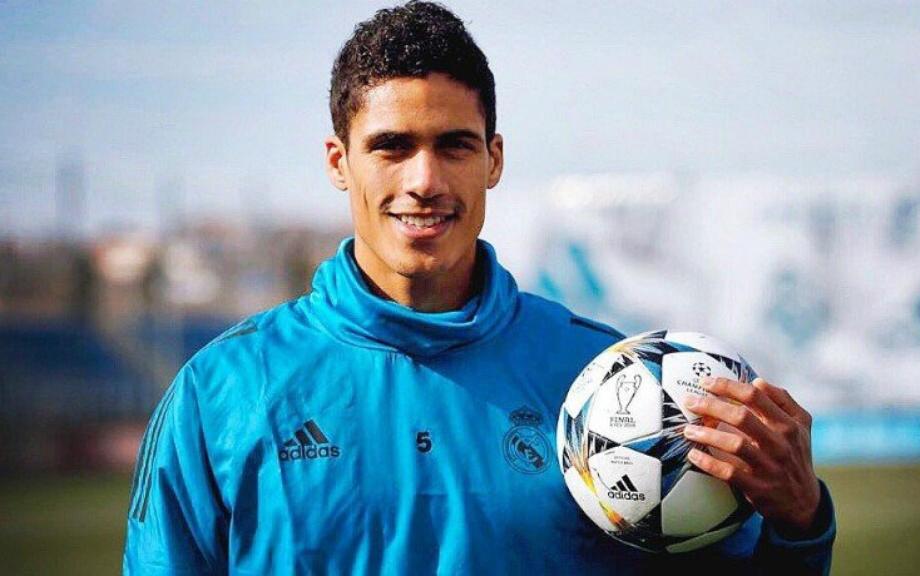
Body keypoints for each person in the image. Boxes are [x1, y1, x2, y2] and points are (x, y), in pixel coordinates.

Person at [122, 2, 835, 574]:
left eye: (454, 145)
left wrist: (800, 521)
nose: (424, 181)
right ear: (339, 162)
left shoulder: (609, 386)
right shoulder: (223, 391)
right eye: (392, 146)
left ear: (493, 159)